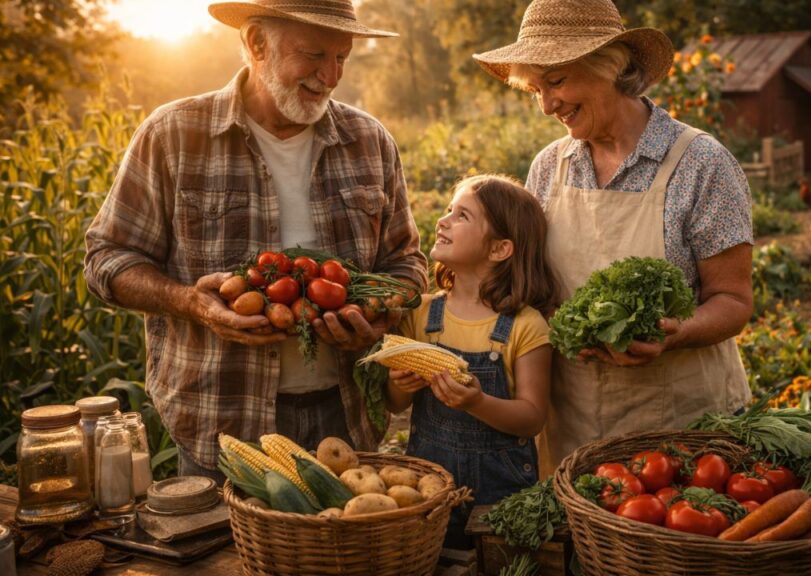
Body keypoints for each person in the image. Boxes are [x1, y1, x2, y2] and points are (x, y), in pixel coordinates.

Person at [83, 0, 428, 482]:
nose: (330, 75)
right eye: (312, 54)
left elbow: (406, 260)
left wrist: (381, 311)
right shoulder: (173, 136)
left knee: (345, 555)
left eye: (342, 57)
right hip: (223, 427)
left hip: (345, 418)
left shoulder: (369, 141)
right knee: (224, 559)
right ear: (255, 44)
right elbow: (106, 259)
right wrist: (192, 303)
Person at [473, 0, 754, 476]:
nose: (546, 105)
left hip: (682, 429)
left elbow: (733, 299)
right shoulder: (549, 166)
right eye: (536, 89)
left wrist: (675, 333)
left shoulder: (701, 163)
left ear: (612, 65)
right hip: (574, 425)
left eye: (556, 81)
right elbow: (535, 285)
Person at [386, 174, 555, 548]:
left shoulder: (524, 325)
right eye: (448, 210)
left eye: (462, 215)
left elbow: (532, 417)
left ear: (499, 249)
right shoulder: (423, 313)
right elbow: (395, 404)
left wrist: (478, 402)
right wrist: (399, 385)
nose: (443, 220)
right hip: (428, 488)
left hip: (500, 493)